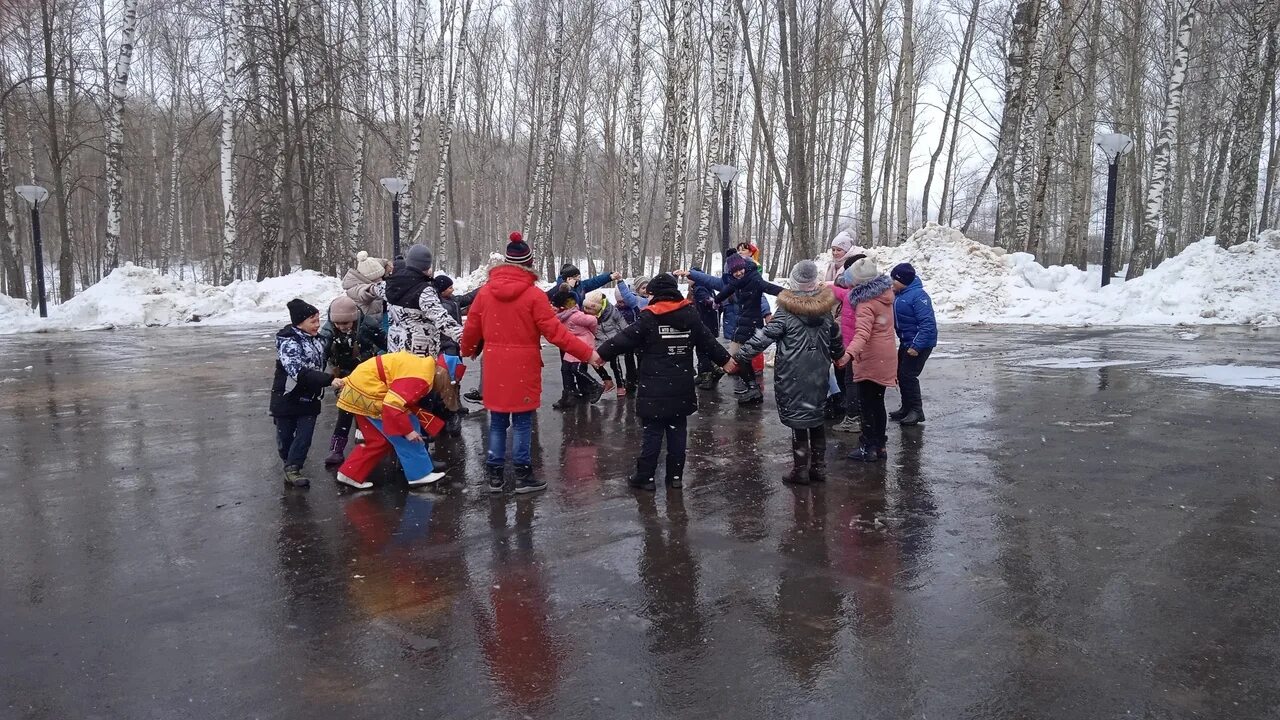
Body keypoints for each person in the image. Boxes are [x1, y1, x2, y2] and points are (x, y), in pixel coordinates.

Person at [460, 232, 600, 494]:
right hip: (524, 366)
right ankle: (524, 475)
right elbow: (557, 333)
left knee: (498, 421)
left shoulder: (486, 292)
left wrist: (467, 350)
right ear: (529, 264)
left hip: (495, 366)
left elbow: (472, 327)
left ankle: (495, 475)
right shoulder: (534, 296)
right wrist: (588, 354)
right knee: (523, 422)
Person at [595, 273, 734, 491]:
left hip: (654, 387)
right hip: (681, 386)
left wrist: (601, 354)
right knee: (677, 431)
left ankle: (645, 477)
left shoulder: (649, 318)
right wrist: (726, 360)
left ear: (656, 294)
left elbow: (625, 339)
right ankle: (675, 477)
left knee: (652, 432)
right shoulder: (690, 315)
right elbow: (708, 341)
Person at [736, 261, 843, 485]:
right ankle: (819, 468)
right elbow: (835, 337)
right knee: (816, 418)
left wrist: (739, 356)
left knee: (798, 421)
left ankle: (800, 470)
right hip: (819, 371)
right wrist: (839, 355)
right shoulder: (826, 310)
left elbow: (764, 337)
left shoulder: (786, 312)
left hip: (793, 374)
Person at [334, 351, 457, 489]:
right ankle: (420, 474)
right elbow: (392, 405)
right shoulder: (421, 377)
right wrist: (408, 432)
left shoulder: (423, 366)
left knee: (378, 440)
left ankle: (349, 473)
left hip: (360, 389)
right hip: (369, 392)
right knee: (406, 435)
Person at [271, 299, 345, 487]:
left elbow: (331, 353)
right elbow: (298, 371)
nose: (317, 324)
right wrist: (329, 380)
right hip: (287, 397)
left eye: (318, 319)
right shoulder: (288, 342)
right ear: (300, 322)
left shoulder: (318, 340)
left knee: (304, 436)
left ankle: (293, 469)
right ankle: (289, 461)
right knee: (285, 438)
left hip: (310, 398)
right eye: (312, 321)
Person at [835, 259, 897, 462]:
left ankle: (868, 447)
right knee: (877, 402)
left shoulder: (865, 303)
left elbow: (862, 334)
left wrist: (848, 355)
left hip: (871, 357)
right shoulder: (884, 296)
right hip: (886, 355)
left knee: (867, 404)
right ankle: (880, 445)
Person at [709, 253, 784, 404]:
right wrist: (715, 301)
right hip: (742, 323)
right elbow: (726, 291)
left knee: (738, 356)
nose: (738, 273)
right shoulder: (736, 282)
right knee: (741, 356)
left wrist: (789, 294)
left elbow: (769, 288)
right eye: (734, 271)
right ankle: (752, 388)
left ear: (744, 267)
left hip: (752, 324)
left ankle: (751, 388)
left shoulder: (754, 279)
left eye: (740, 269)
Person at [319, 295, 385, 466]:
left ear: (355, 319)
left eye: (346, 324)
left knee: (370, 408)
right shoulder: (328, 332)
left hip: (366, 372)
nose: (342, 327)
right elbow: (321, 354)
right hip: (342, 374)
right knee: (345, 410)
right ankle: (337, 449)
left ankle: (373, 441)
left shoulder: (368, 326)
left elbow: (386, 343)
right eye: (338, 324)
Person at [385, 244, 462, 359]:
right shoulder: (424, 291)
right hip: (417, 352)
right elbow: (441, 318)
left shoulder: (390, 283)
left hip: (395, 349)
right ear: (427, 266)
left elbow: (370, 289)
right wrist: (464, 338)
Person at [889, 263, 937, 426]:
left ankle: (917, 411)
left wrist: (917, 346)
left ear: (903, 280)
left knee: (908, 375)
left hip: (920, 343)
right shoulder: (900, 293)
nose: (892, 282)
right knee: (900, 374)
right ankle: (907, 407)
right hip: (906, 341)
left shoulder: (918, 296)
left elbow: (928, 324)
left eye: (895, 279)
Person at [827, 253, 868, 434]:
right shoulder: (869, 292)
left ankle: (853, 416)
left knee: (851, 380)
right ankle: (853, 410)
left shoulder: (857, 295)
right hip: (851, 343)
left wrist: (827, 287)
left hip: (852, 344)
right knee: (848, 378)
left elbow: (845, 292)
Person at [551, 288, 602, 409]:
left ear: (562, 307)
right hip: (572, 345)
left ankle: (595, 386)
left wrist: (593, 334)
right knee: (565, 369)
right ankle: (569, 395)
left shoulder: (575, 316)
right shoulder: (561, 316)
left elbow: (593, 320)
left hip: (583, 344)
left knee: (577, 369)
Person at [583, 290, 629, 396]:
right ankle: (607, 380)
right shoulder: (586, 315)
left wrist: (626, 338)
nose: (587, 310)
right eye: (585, 308)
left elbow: (623, 324)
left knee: (615, 364)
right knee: (594, 362)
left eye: (590, 308)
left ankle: (621, 385)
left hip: (612, 341)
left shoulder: (612, 311)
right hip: (598, 342)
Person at [687, 266, 722, 389]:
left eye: (689, 277)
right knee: (706, 348)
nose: (687, 280)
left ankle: (707, 375)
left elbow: (708, 302)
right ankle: (708, 372)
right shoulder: (707, 287)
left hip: (703, 324)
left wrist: (707, 304)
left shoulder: (699, 288)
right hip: (711, 323)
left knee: (702, 350)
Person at [342, 250, 391, 323]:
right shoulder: (354, 286)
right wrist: (373, 289)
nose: (381, 281)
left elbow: (380, 262)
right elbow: (362, 292)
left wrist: (387, 264)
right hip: (367, 325)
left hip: (380, 317)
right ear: (368, 279)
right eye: (377, 280)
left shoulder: (371, 266)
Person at [547, 263, 622, 306]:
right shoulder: (557, 290)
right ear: (568, 279)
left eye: (579, 277)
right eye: (577, 278)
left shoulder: (580, 286)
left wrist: (609, 277)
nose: (579, 280)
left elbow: (594, 282)